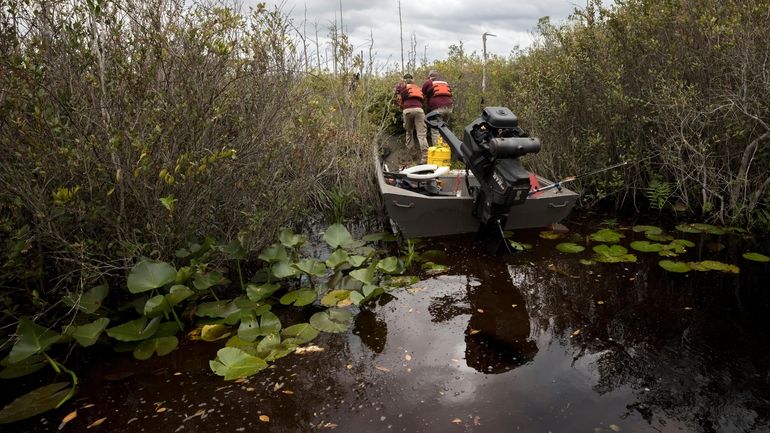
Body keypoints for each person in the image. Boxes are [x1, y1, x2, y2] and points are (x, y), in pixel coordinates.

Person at [394, 73, 428, 163]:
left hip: (407, 110)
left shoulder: (402, 88)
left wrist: (399, 83)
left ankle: (411, 156)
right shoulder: (418, 88)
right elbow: (423, 98)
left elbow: (396, 91)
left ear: (404, 80)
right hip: (419, 110)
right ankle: (425, 157)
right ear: (413, 80)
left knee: (409, 132)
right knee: (421, 135)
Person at [421, 70, 453, 146]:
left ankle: (438, 151)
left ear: (429, 76)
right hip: (449, 108)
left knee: (435, 130)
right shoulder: (445, 83)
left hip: (437, 109)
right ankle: (446, 150)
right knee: (445, 129)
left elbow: (422, 94)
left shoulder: (428, 82)